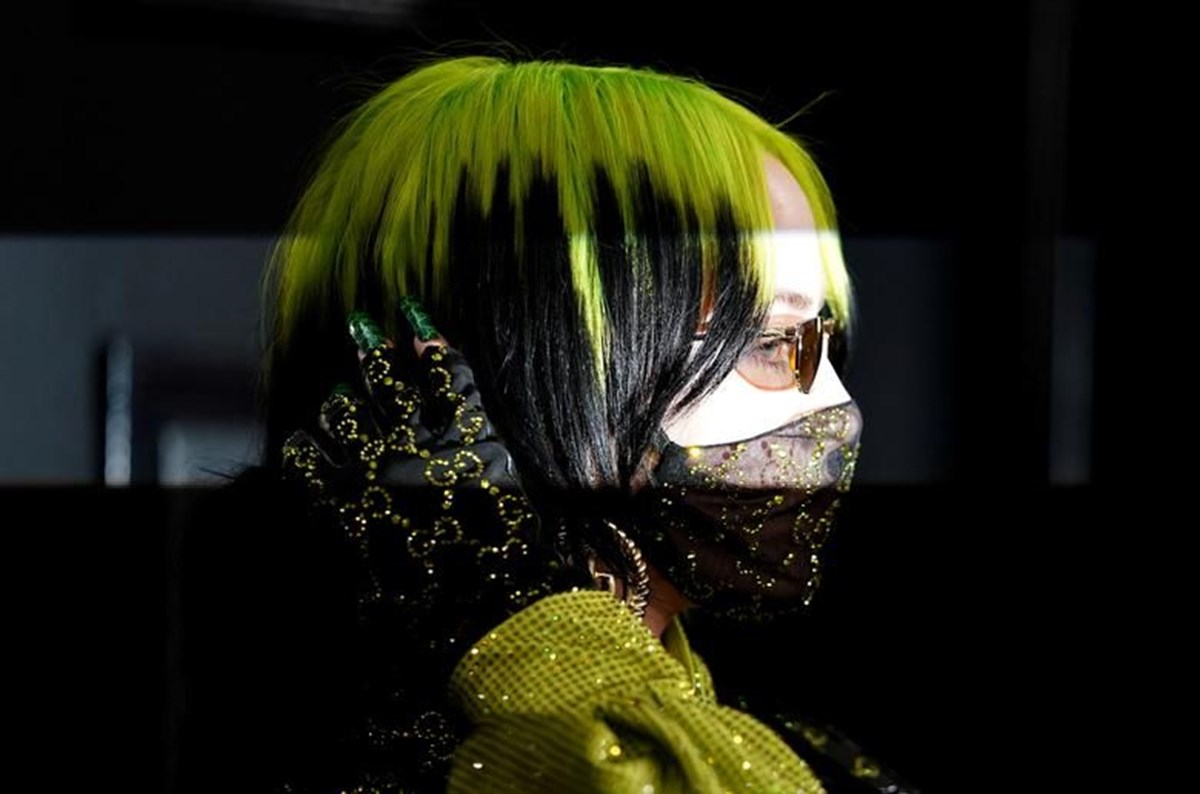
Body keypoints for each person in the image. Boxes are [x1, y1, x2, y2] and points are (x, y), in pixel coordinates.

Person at [187, 55, 920, 793]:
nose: (835, 408)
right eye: (770, 343)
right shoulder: (338, 747)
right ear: (542, 350)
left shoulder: (805, 752)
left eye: (819, 343)